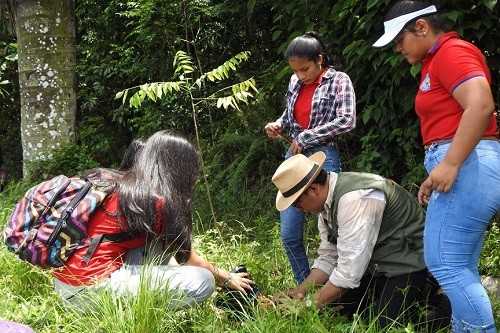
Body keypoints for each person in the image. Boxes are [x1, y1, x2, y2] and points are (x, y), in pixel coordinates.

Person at [373, 2, 500, 332]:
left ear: (421, 27)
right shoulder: (435, 59)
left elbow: (481, 104)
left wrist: (451, 163)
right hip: (464, 162)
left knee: (444, 263)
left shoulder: (451, 52)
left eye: (399, 40)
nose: (397, 48)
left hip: (468, 162)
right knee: (459, 266)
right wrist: (439, 169)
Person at [52, 130, 255, 308]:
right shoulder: (157, 201)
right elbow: (188, 259)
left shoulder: (120, 186)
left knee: (156, 244)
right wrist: (227, 278)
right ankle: (139, 317)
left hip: (65, 285)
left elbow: (169, 250)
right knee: (204, 281)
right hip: (91, 291)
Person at [271, 152, 450, 330]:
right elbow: (329, 257)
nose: (299, 210)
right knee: (334, 308)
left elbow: (348, 274)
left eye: (297, 203)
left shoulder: (354, 199)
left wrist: (305, 306)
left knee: (384, 326)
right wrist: (300, 291)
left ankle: (445, 302)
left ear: (314, 190)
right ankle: (414, 297)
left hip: (411, 264)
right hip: (378, 267)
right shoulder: (326, 207)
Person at [264, 31, 356, 284]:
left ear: (320, 59)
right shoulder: (295, 83)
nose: (300, 76)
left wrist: (307, 137)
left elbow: (347, 120)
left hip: (324, 155)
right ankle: (304, 287)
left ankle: (338, 287)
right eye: (295, 71)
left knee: (331, 229)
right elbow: (290, 116)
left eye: (305, 69)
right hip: (293, 159)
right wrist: (278, 125)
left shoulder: (339, 81)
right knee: (289, 232)